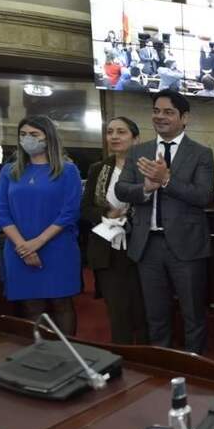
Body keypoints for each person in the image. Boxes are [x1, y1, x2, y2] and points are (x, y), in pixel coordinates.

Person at [115, 90, 214, 354]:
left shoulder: (201, 154)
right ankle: (161, 371)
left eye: (168, 112)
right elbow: (122, 190)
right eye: (156, 111)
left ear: (185, 118)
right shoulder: (139, 152)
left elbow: (203, 196)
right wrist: (146, 188)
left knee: (193, 314)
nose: (160, 117)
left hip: (187, 248)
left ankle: (195, 369)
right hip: (148, 246)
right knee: (155, 314)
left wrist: (167, 180)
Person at [0, 116, 82, 334]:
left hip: (57, 246)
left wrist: (37, 243)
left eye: (34, 135)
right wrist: (24, 246)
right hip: (17, 247)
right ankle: (40, 357)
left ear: (48, 137)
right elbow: (0, 211)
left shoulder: (68, 170)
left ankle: (70, 356)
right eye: (23, 135)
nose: (27, 139)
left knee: (61, 303)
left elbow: (69, 212)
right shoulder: (9, 171)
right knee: (31, 305)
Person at [81, 116, 147, 345]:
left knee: (142, 309)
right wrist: (106, 215)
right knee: (117, 310)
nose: (114, 137)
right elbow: (85, 208)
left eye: (121, 132)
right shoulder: (98, 169)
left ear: (135, 138)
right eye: (110, 132)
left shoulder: (146, 168)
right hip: (106, 247)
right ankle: (124, 359)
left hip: (140, 247)